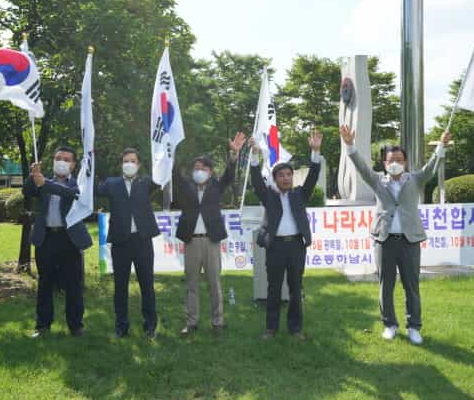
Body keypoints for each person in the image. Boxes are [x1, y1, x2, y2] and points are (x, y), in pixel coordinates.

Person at [340, 124, 451, 345]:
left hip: (409, 241)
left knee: (411, 285)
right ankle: (389, 324)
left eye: (399, 160)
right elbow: (362, 168)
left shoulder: (415, 179)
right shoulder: (377, 181)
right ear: (385, 163)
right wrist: (350, 146)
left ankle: (414, 327)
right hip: (384, 241)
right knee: (386, 284)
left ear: (405, 162)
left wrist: (441, 146)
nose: (395, 164)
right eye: (391, 160)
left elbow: (431, 167)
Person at [249, 130, 323, 340]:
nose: (286, 178)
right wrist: (255, 156)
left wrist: (315, 152)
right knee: (273, 289)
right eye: (281, 175)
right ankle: (271, 329)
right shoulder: (268, 196)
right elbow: (256, 181)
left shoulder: (300, 194)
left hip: (296, 247)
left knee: (295, 289)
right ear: (275, 179)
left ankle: (295, 328)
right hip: (275, 247)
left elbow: (313, 176)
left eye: (289, 175)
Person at [173, 132, 246, 335]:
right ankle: (191, 322)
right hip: (191, 242)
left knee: (214, 283)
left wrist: (234, 154)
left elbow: (230, 175)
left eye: (203, 168)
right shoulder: (186, 186)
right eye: (196, 168)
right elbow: (174, 174)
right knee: (191, 284)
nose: (199, 171)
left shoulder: (216, 185)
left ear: (211, 171)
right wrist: (170, 150)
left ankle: (217, 321)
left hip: (212, 242)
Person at [23, 147, 93, 338]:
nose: (61, 162)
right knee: (45, 283)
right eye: (58, 158)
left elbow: (70, 194)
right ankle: (43, 325)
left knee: (73, 285)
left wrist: (44, 182)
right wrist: (33, 175)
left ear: (73, 165)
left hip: (69, 239)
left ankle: (76, 325)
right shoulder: (41, 180)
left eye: (66, 159)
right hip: (46, 238)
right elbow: (27, 191)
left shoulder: (79, 184)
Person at [97, 148, 160, 339]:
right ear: (121, 164)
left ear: (138, 165)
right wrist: (90, 160)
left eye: (133, 161)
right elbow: (93, 187)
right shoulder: (111, 183)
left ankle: (150, 326)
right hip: (120, 242)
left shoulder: (146, 182)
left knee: (147, 284)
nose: (129, 164)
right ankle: (121, 326)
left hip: (142, 240)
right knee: (120, 286)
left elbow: (164, 175)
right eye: (126, 161)